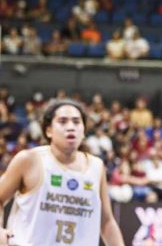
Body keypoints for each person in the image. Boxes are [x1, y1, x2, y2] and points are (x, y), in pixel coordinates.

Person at [0, 99, 124, 246]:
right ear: (48, 130)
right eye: (63, 121)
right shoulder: (29, 160)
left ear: (84, 131)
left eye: (77, 122)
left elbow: (107, 222)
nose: (71, 127)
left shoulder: (96, 167)